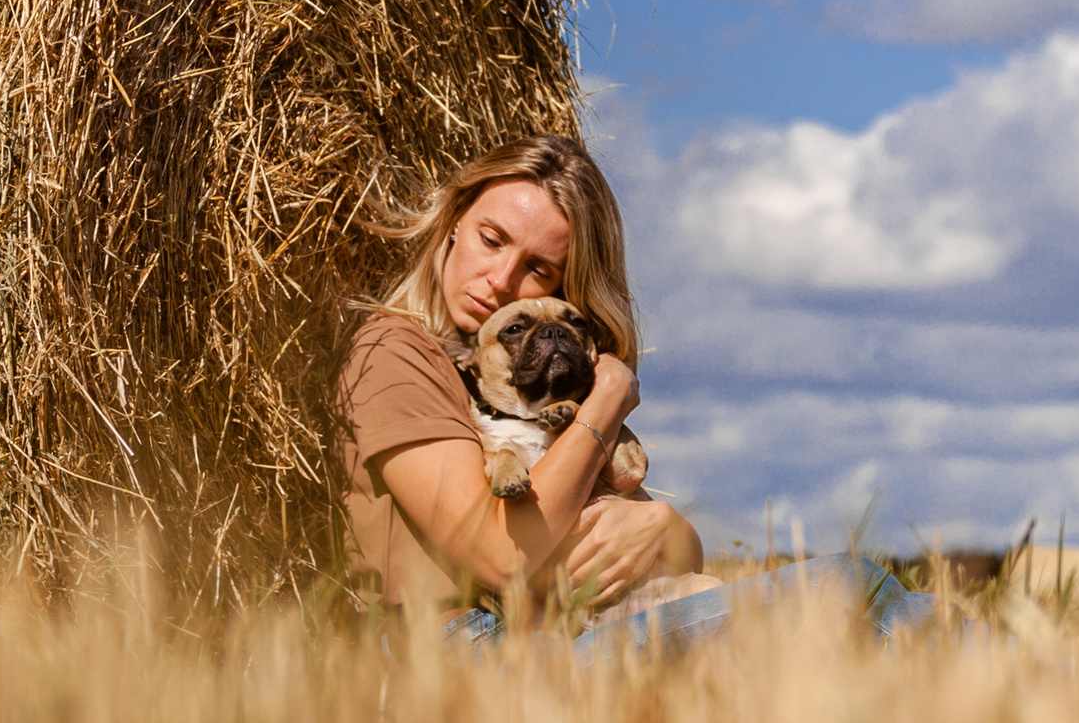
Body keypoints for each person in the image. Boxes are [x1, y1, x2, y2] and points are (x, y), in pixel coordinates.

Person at [336, 133, 934, 649]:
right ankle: (1006, 666)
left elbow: (682, 560)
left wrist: (662, 524)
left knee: (835, 616)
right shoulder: (395, 353)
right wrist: (610, 395)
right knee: (846, 586)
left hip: (577, 629)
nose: (502, 280)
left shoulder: (539, 391)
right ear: (453, 222)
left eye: (539, 269)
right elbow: (498, 555)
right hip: (474, 654)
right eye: (492, 240)